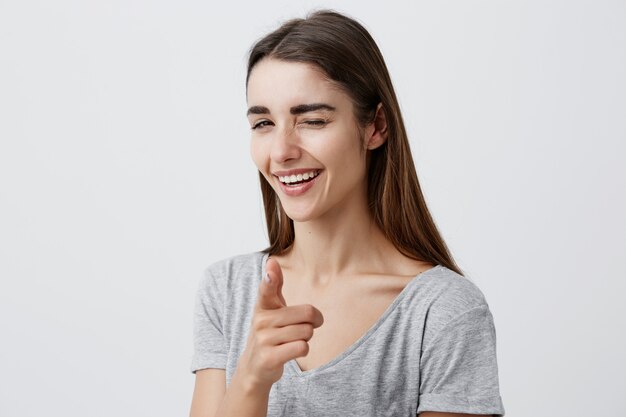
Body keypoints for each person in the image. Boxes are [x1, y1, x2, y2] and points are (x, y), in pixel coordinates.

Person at [189, 9, 505, 417]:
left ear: (376, 126)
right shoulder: (226, 291)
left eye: (314, 120)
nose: (281, 151)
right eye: (264, 123)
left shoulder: (443, 312)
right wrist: (251, 379)